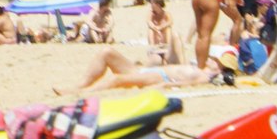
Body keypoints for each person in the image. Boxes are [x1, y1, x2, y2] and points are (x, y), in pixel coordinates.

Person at [58, 47, 221, 94]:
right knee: (106, 52)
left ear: (219, 69)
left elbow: (184, 84)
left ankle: (82, 93)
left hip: (159, 77)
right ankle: (80, 86)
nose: (213, 59)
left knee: (117, 80)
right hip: (144, 70)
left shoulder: (206, 76)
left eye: (217, 61)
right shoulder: (199, 66)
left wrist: (165, 86)